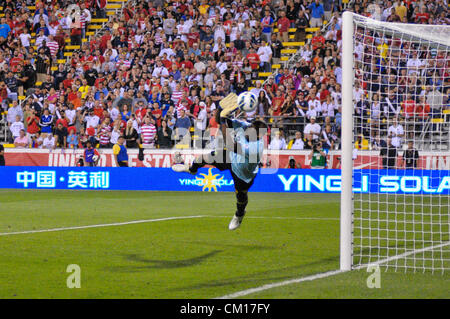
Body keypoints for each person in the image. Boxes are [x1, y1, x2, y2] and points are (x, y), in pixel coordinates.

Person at [172, 94, 267, 231]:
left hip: (243, 174)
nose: (247, 131)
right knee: (203, 158)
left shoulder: (256, 147)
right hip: (231, 158)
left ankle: (239, 215)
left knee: (241, 198)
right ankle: (192, 169)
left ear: (258, 135)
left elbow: (229, 143)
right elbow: (218, 121)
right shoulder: (246, 126)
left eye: (251, 131)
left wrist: (223, 119)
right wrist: (220, 110)